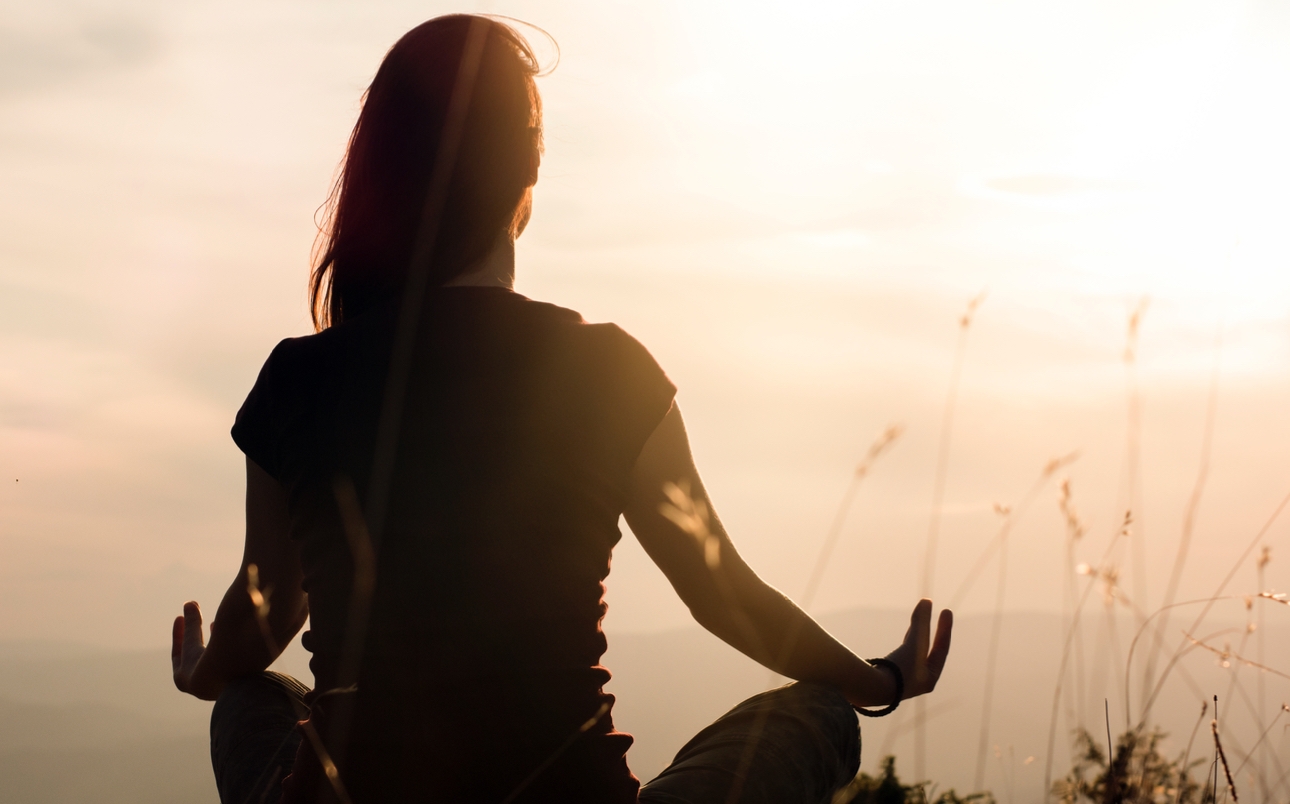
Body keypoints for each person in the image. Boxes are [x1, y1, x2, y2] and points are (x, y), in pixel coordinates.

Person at [170, 14, 952, 804]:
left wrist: (201, 673)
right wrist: (878, 678)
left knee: (250, 698)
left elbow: (265, 616)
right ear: (527, 172)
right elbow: (723, 596)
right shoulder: (607, 370)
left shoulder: (298, 379)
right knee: (821, 713)